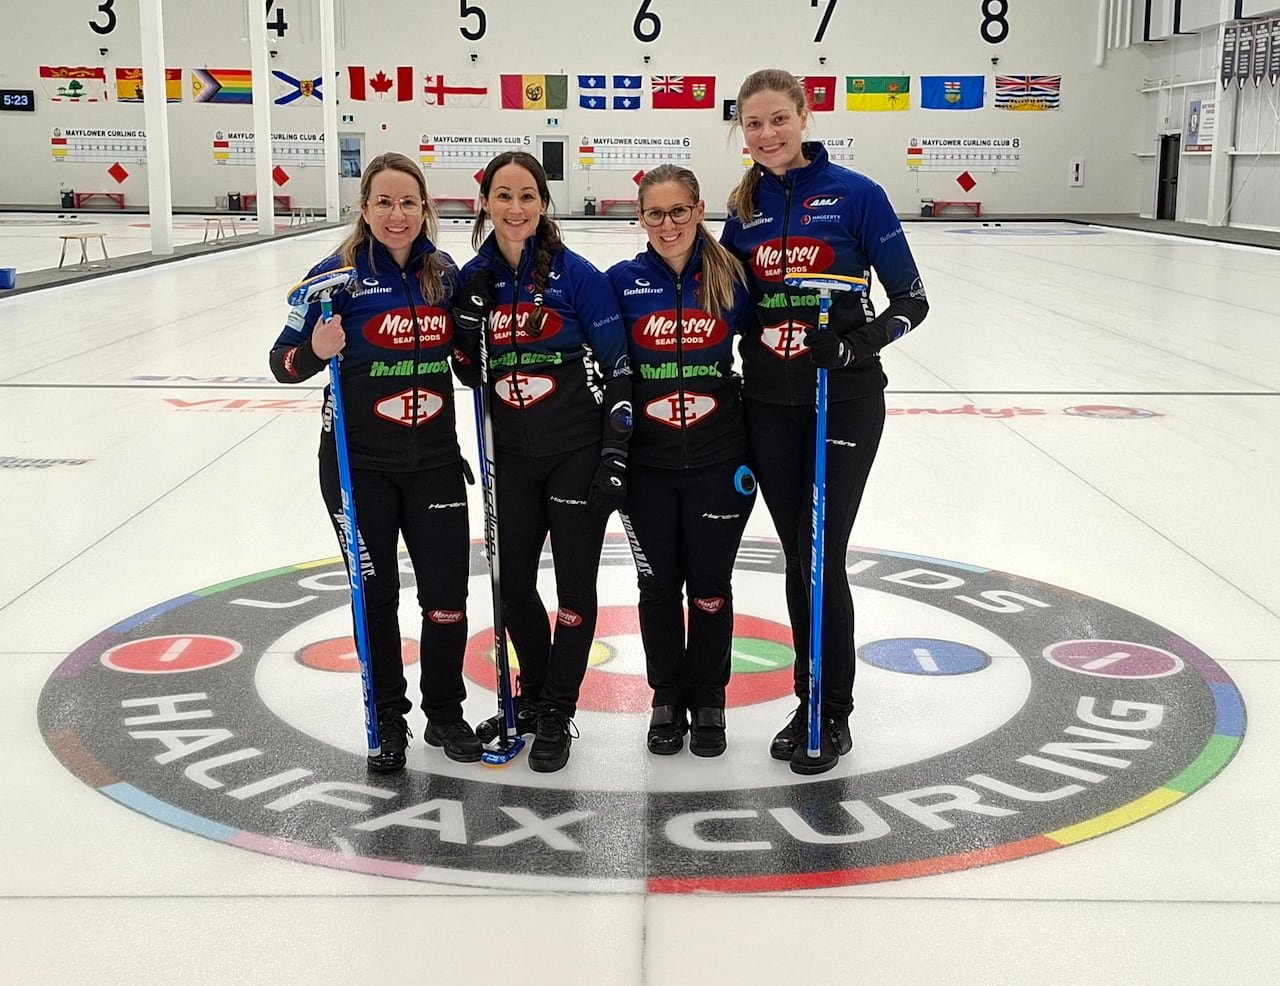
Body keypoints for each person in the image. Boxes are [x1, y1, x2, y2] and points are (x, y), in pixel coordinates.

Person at [721, 69, 929, 770]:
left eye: (779, 119)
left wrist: (853, 344)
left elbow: (912, 300)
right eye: (754, 124)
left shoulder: (858, 196)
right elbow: (733, 308)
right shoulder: (741, 210)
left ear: (804, 117)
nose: (767, 134)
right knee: (796, 555)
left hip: (842, 399)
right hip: (768, 405)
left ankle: (829, 711)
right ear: (741, 131)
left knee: (819, 554)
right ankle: (807, 698)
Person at [269, 151, 482, 773]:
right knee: (377, 594)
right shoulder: (331, 277)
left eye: (409, 202)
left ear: (425, 210)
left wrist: (479, 340)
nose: (397, 214)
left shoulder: (442, 273)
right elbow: (282, 364)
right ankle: (388, 714)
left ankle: (445, 713)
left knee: (446, 598)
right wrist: (314, 346)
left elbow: (466, 364)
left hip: (436, 460)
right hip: (358, 467)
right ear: (365, 208)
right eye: (384, 202)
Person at [451, 151, 630, 773]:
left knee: (574, 588)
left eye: (527, 195)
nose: (516, 208)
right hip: (511, 460)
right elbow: (468, 373)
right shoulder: (473, 275)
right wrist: (467, 322)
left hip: (573, 452)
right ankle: (530, 699)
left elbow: (621, 369)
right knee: (513, 585)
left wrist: (614, 450)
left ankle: (557, 709)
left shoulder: (578, 275)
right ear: (485, 203)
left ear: (544, 203)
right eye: (504, 195)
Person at [606, 164, 757, 758]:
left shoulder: (732, 280)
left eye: (678, 211)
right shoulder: (621, 282)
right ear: (640, 217)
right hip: (647, 463)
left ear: (698, 209)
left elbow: (771, 351)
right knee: (657, 586)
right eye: (654, 214)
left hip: (720, 458)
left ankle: (711, 699)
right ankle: (666, 697)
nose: (667, 225)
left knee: (711, 587)